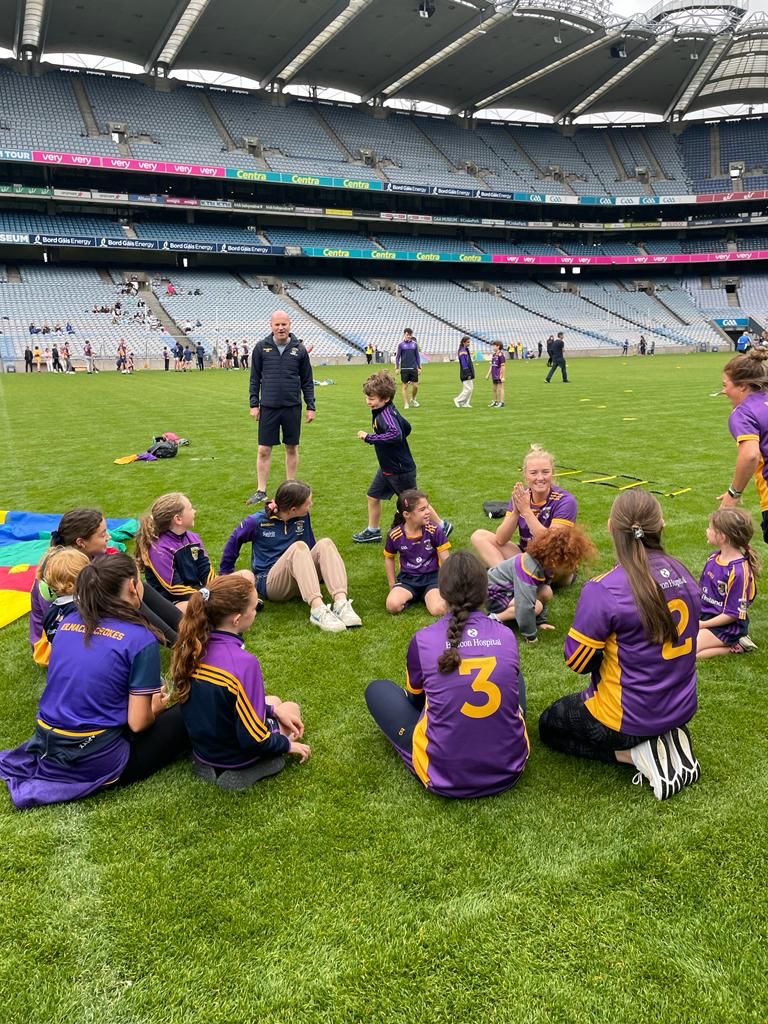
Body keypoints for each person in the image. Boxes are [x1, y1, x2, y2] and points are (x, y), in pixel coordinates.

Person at [538, 490, 701, 801]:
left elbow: (576, 661)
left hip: (628, 719)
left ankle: (638, 755)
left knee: (550, 724)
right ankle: (664, 738)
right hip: (681, 707)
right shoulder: (682, 570)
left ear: (611, 527)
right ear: (661, 525)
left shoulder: (605, 588)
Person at [0, 554, 189, 809]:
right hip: (95, 760)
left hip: (49, 745)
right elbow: (138, 723)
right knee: (192, 706)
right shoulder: (140, 638)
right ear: (133, 587)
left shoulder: (67, 622)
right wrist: (154, 709)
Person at [365, 550, 529, 799]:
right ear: (485, 591)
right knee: (514, 678)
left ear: (442, 593)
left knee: (377, 690)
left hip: (443, 774)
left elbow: (416, 702)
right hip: (509, 768)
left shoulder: (423, 639)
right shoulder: (506, 635)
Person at [170, 575, 310, 789]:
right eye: (254, 608)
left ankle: (211, 765)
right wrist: (285, 745)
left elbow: (225, 702)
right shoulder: (243, 663)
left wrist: (272, 710)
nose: (255, 612)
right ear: (236, 619)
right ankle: (250, 769)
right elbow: (253, 738)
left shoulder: (191, 646)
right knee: (292, 707)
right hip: (236, 755)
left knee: (274, 702)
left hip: (204, 749)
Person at [29, 508, 182, 653]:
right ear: (81, 542)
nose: (109, 537)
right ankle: (180, 644)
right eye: (102, 535)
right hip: (60, 640)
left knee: (134, 587)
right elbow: (63, 624)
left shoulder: (90, 556)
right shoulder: (58, 572)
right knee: (125, 597)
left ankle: (187, 628)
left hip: (84, 624)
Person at [221, 480, 360, 633]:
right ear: (293, 509)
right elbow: (234, 541)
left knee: (325, 543)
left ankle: (341, 603)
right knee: (298, 547)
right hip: (271, 582)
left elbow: (310, 547)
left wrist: (320, 573)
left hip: (299, 577)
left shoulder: (303, 517)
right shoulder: (256, 522)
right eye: (308, 503)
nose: (311, 505)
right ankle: (317, 610)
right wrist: (226, 576)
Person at [352, 371, 452, 544]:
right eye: (367, 397)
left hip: (399, 469)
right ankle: (373, 531)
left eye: (372, 398)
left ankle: (442, 526)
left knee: (413, 501)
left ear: (385, 398)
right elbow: (407, 427)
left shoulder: (385, 415)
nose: (368, 402)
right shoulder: (388, 409)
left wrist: (370, 438)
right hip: (388, 467)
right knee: (373, 495)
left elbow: (396, 434)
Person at [472, 444, 578, 580]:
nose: (540, 478)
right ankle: (505, 578)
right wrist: (516, 512)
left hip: (555, 562)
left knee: (553, 560)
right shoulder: (521, 497)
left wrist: (526, 511)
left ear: (553, 473)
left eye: (545, 472)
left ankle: (518, 579)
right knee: (479, 536)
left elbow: (552, 544)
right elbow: (500, 539)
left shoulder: (566, 500)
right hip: (528, 557)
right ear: (525, 475)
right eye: (533, 473)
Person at [246, 311, 315, 506]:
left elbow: (307, 381)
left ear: (290, 325)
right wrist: (254, 404)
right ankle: (261, 490)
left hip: (292, 406)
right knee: (263, 450)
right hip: (268, 406)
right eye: (277, 324)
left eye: (284, 324)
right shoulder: (261, 348)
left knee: (291, 447)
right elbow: (255, 378)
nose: (281, 328)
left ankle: (291, 486)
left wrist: (311, 406)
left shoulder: (299, 350)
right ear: (271, 326)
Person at [487, 525, 596, 643]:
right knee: (535, 606)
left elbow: (540, 591)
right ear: (555, 560)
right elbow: (525, 604)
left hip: (509, 591)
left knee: (546, 591)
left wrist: (540, 622)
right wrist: (531, 636)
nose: (574, 567)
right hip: (493, 595)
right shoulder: (528, 568)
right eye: (569, 563)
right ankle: (494, 618)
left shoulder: (546, 566)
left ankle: (513, 616)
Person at [134, 493, 221, 611]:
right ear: (178, 519)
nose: (194, 511)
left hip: (197, 592)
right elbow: (175, 588)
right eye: (190, 508)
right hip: (174, 601)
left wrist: (216, 589)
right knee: (191, 608)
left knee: (245, 576)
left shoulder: (193, 538)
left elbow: (206, 570)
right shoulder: (159, 550)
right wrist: (206, 595)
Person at [719, 350, 768, 541]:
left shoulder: (743, 413)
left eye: (726, 385)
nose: (724, 391)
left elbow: (750, 455)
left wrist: (733, 494)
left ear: (743, 386)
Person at [697, 508, 758, 658]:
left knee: (688, 652)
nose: (707, 530)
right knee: (675, 640)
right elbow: (702, 592)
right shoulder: (713, 558)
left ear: (722, 537)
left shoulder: (738, 571)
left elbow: (733, 614)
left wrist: (702, 625)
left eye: (710, 528)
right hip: (705, 617)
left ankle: (737, 645)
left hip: (727, 626)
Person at [384, 490, 451, 616]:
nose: (428, 512)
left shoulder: (434, 530)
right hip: (407, 580)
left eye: (427, 507)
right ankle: (413, 596)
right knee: (392, 606)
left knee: (438, 610)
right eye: (422, 509)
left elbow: (447, 560)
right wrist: (392, 585)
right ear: (406, 514)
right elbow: (389, 558)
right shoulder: (395, 535)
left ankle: (429, 596)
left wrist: (450, 583)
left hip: (432, 579)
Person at [32, 546, 90, 666]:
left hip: (61, 661)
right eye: (89, 574)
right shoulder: (85, 607)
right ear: (70, 586)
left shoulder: (51, 612)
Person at [395, 328, 421, 410]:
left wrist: (419, 367)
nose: (409, 336)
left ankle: (413, 399)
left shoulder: (415, 344)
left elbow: (417, 356)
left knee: (416, 386)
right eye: (407, 334)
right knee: (405, 386)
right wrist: (397, 367)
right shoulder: (401, 345)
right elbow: (397, 357)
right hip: (404, 368)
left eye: (410, 335)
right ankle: (406, 403)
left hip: (413, 368)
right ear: (404, 334)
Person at [453, 336, 474, 408]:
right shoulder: (462, 351)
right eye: (468, 342)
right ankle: (458, 400)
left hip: (468, 372)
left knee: (470, 388)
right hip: (465, 372)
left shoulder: (465, 350)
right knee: (468, 389)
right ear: (463, 342)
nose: (469, 343)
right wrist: (468, 373)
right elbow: (464, 363)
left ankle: (466, 403)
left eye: (469, 342)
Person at [486, 340, 505, 408]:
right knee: (494, 389)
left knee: (501, 389)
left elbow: (503, 366)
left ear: (498, 346)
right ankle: (495, 401)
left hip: (499, 374)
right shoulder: (494, 355)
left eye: (494, 346)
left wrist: (502, 376)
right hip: (494, 374)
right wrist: (488, 374)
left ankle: (502, 402)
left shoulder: (501, 355)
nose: (493, 347)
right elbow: (492, 365)